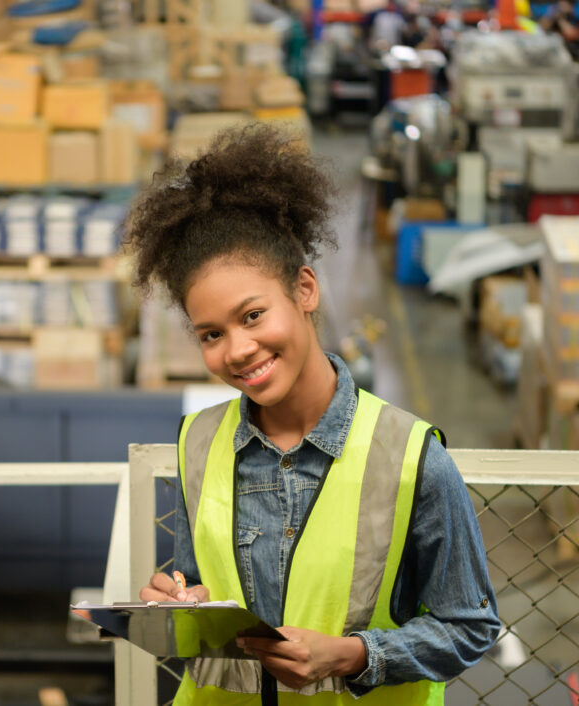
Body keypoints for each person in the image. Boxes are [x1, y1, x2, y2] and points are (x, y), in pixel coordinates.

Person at [123, 124, 500, 705]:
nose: (238, 350)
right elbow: (200, 582)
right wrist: (178, 601)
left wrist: (354, 656)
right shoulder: (198, 442)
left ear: (304, 289)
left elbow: (470, 626)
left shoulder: (409, 456)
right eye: (211, 334)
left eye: (252, 316)